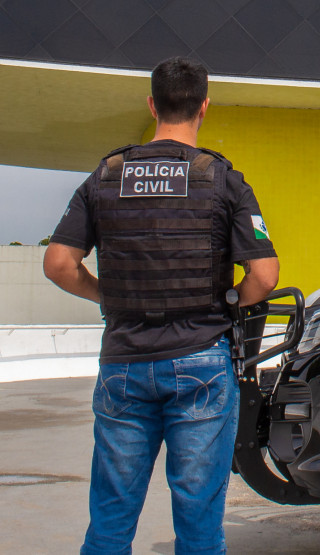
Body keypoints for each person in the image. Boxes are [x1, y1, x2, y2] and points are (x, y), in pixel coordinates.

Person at [43, 56, 279, 554]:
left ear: (152, 105)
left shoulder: (105, 176)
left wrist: (106, 294)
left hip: (124, 364)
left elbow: (59, 264)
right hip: (200, 361)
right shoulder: (223, 180)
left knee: (110, 521)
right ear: (204, 107)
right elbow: (264, 275)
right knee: (199, 526)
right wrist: (228, 302)